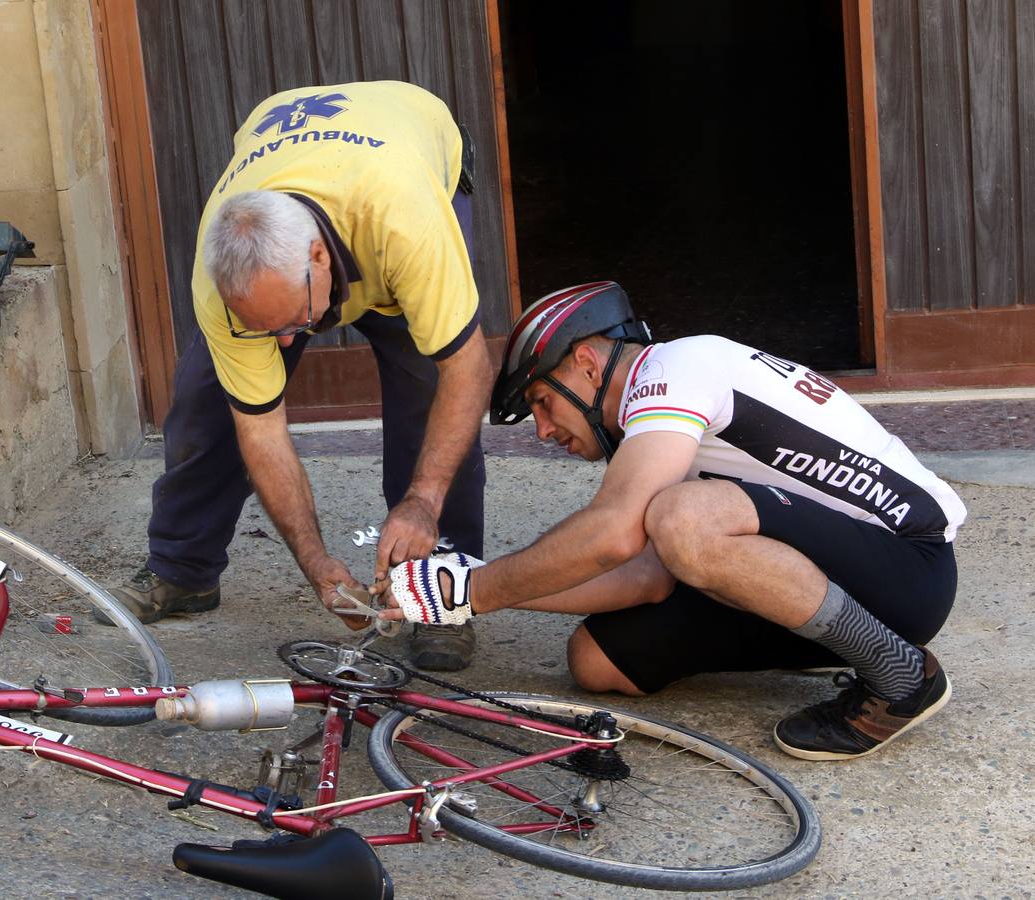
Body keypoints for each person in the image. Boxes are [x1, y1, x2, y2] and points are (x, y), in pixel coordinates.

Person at [378, 281, 966, 759]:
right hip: (831, 573)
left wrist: (470, 591)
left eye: (541, 401)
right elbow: (644, 574)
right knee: (597, 659)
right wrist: (470, 584)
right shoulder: (662, 426)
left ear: (586, 362)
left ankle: (900, 675)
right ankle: (833, 634)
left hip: (909, 568)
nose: (544, 430)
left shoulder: (675, 368)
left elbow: (614, 532)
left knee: (683, 517)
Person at [104, 80, 492, 671]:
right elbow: (261, 429)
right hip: (295, 161)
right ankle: (182, 569)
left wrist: (422, 499)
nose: (290, 342)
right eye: (266, 329)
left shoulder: (405, 221)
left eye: (292, 321)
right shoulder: (221, 279)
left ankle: (441, 589)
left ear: (317, 257)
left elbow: (467, 369)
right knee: (207, 403)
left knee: (430, 394)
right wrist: (315, 565)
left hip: (404, 155)